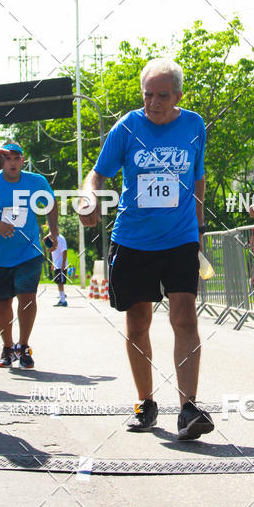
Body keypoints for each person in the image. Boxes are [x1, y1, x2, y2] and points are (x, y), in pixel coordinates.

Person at [80, 58, 214, 441]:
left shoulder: (193, 125)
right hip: (134, 240)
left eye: (162, 96)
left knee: (185, 319)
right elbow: (98, 173)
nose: (154, 103)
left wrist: (199, 228)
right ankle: (145, 403)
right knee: (138, 323)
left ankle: (189, 407)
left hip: (180, 237)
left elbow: (198, 177)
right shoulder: (127, 127)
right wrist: (90, 196)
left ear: (178, 96)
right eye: (148, 95)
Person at [0, 141, 58, 369]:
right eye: (7, 158)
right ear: (0, 161)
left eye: (17, 158)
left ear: (23, 161)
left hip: (28, 252)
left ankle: (23, 345)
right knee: (2, 302)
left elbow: (51, 205)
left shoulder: (36, 182)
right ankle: (7, 347)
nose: (13, 162)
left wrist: (53, 232)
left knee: (27, 298)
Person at [52, 233, 68, 307]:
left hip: (60, 265)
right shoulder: (54, 238)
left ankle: (63, 300)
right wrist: (53, 263)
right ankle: (62, 299)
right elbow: (56, 252)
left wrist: (63, 264)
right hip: (57, 264)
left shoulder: (61, 238)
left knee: (60, 283)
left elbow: (64, 251)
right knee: (58, 282)